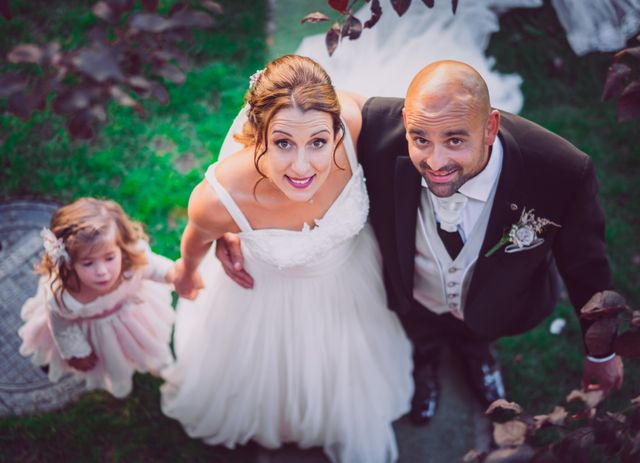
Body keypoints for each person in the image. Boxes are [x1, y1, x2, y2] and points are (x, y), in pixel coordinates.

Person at [217, 60, 624, 427]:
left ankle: (478, 355)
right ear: (406, 120)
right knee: (420, 334)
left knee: (478, 332)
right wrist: (236, 220)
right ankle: (424, 366)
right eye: (420, 139)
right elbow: (283, 118)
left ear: (490, 128)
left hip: (501, 301)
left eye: (455, 141)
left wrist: (601, 352)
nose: (435, 162)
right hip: (411, 291)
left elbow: (586, 265)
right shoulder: (377, 128)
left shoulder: (560, 171)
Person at [160, 55, 413, 463]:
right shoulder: (218, 198)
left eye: (317, 142)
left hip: (349, 283)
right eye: (282, 143)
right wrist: (187, 272)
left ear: (335, 130)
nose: (302, 167)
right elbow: (195, 237)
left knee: (345, 364)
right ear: (256, 134)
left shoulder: (351, 121)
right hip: (264, 299)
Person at [18, 197, 176, 399]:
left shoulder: (132, 261)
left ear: (122, 247)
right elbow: (61, 325)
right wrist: (77, 351)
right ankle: (118, 378)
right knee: (113, 359)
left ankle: (153, 361)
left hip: (133, 318)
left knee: (144, 344)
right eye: (88, 263)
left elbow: (153, 267)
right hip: (95, 332)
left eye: (109, 258)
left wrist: (174, 274)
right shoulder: (65, 296)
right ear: (69, 263)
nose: (102, 272)